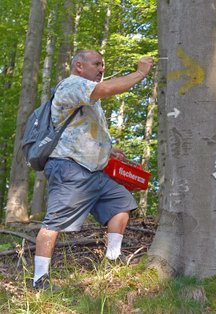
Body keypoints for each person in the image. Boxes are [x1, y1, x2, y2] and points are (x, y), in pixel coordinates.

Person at [32, 50, 154, 289]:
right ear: (79, 66)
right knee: (53, 223)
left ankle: (112, 260)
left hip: (95, 171)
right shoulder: (73, 85)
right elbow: (107, 89)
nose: (101, 69)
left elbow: (83, 132)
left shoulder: (88, 97)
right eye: (96, 64)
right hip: (70, 169)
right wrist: (140, 73)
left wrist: (110, 149)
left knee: (122, 204)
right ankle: (39, 279)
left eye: (102, 65)